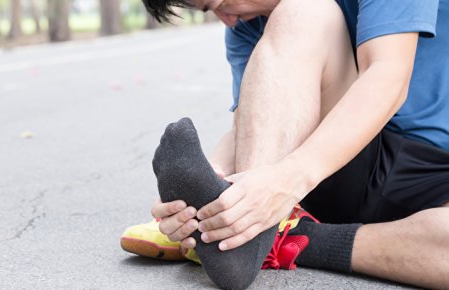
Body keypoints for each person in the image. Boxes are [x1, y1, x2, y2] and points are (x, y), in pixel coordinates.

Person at [122, 0, 449, 288]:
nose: (229, 20)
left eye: (221, 3)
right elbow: (247, 125)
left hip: (431, 173)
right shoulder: (251, 26)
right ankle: (248, 228)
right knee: (305, 11)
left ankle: (283, 237)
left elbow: (388, 73)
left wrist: (288, 178)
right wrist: (204, 197)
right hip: (336, 166)